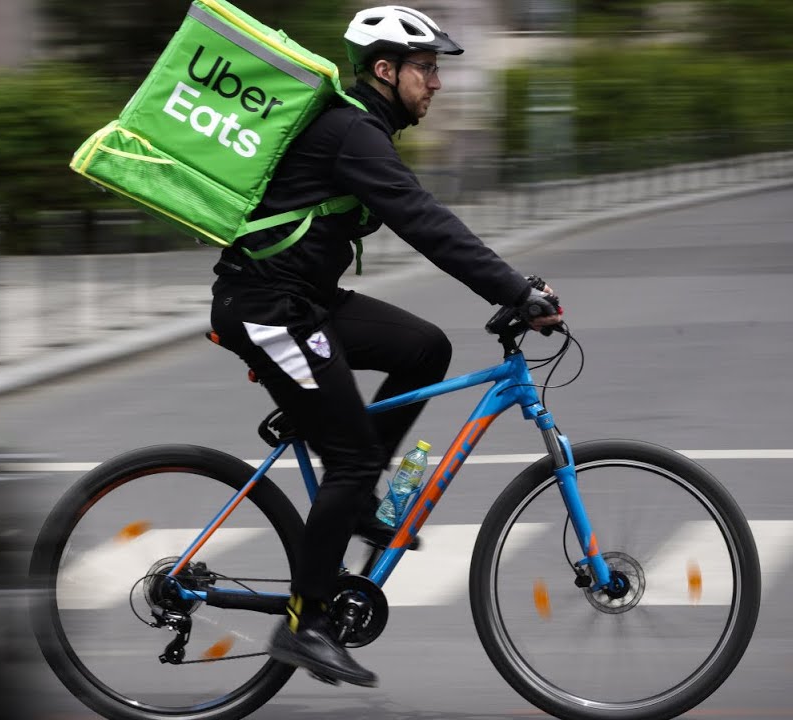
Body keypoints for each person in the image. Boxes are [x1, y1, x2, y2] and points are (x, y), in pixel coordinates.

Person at [209, 5, 561, 687]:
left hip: (303, 299)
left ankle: (359, 493)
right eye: (426, 69)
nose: (436, 83)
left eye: (434, 70)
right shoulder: (353, 132)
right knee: (350, 456)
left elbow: (423, 219)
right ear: (384, 69)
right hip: (266, 308)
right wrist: (514, 291)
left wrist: (512, 289)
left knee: (424, 348)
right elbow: (425, 221)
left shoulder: (362, 128)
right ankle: (306, 627)